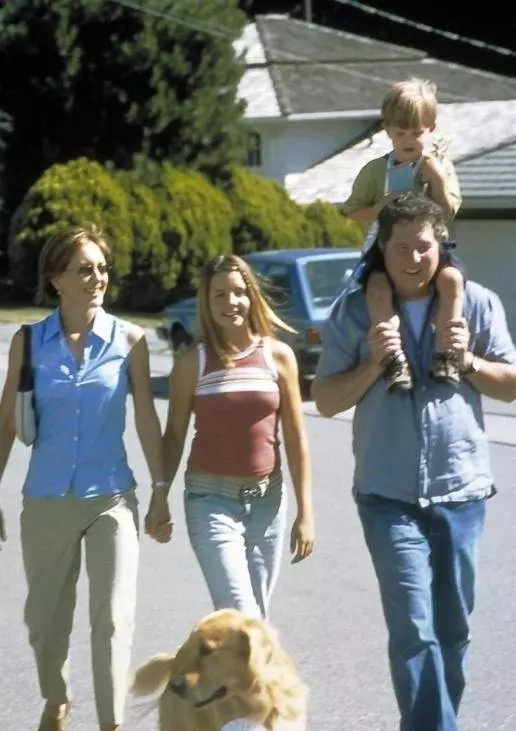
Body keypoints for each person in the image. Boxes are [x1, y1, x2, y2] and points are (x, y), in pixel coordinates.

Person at [312, 192, 516, 731]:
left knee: (453, 631)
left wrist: (468, 360)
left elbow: (511, 385)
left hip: (461, 490)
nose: (413, 258)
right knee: (412, 628)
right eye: (400, 247)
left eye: (423, 246)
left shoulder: (476, 303)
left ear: (440, 245)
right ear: (382, 248)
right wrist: (373, 364)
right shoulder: (355, 312)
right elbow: (325, 399)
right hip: (387, 495)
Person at [0, 227, 167, 731]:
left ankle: (111, 722)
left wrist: (160, 490)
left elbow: (146, 419)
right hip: (46, 500)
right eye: (85, 269)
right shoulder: (28, 342)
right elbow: (6, 421)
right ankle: (57, 699)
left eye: (102, 268)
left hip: (110, 498)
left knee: (113, 617)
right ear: (57, 280)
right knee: (45, 623)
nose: (98, 278)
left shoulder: (130, 340)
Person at [145, 254, 315, 619]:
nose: (230, 302)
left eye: (238, 292)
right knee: (243, 616)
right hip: (211, 502)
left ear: (252, 295)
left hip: (268, 503)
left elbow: (296, 439)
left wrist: (306, 512)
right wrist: (159, 495)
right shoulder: (192, 362)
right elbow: (174, 436)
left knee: (255, 619)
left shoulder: (279, 357)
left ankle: (229, 661)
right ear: (206, 302)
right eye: (219, 294)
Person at [342, 77, 464, 392]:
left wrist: (437, 179)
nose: (408, 139)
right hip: (386, 251)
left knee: (452, 281)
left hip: (432, 250)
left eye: (417, 132)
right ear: (387, 130)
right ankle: (393, 359)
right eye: (400, 133)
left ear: (432, 129)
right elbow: (352, 212)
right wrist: (380, 207)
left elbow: (448, 211)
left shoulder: (439, 166)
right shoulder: (374, 171)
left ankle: (446, 354)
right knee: (377, 289)